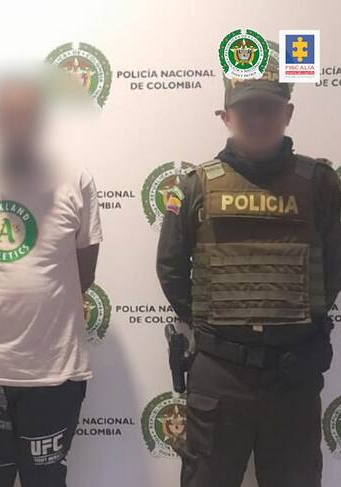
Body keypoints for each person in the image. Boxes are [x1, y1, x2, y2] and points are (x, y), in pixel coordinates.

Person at [156, 41, 341, 487]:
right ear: (226, 117)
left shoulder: (320, 183)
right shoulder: (195, 185)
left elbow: (335, 264)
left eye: (269, 108)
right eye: (246, 110)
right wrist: (214, 325)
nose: (258, 119)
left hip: (293, 374)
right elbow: (171, 267)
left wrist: (301, 321)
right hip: (219, 373)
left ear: (288, 113)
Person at [0, 75, 102, 487]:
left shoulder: (76, 180)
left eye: (27, 115)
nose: (17, 124)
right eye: (7, 115)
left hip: (54, 373)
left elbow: (84, 272)